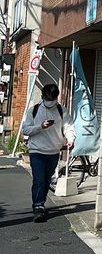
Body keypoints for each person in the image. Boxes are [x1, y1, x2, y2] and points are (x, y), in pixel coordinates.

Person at [21, 83, 74, 222]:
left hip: (54, 151)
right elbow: (25, 129)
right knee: (39, 180)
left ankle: (41, 203)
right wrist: (40, 127)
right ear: (43, 96)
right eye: (48, 98)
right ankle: (38, 206)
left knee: (46, 180)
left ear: (57, 97)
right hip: (36, 150)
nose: (50, 101)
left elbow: (68, 127)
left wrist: (70, 139)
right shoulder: (35, 110)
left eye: (53, 98)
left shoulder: (62, 110)